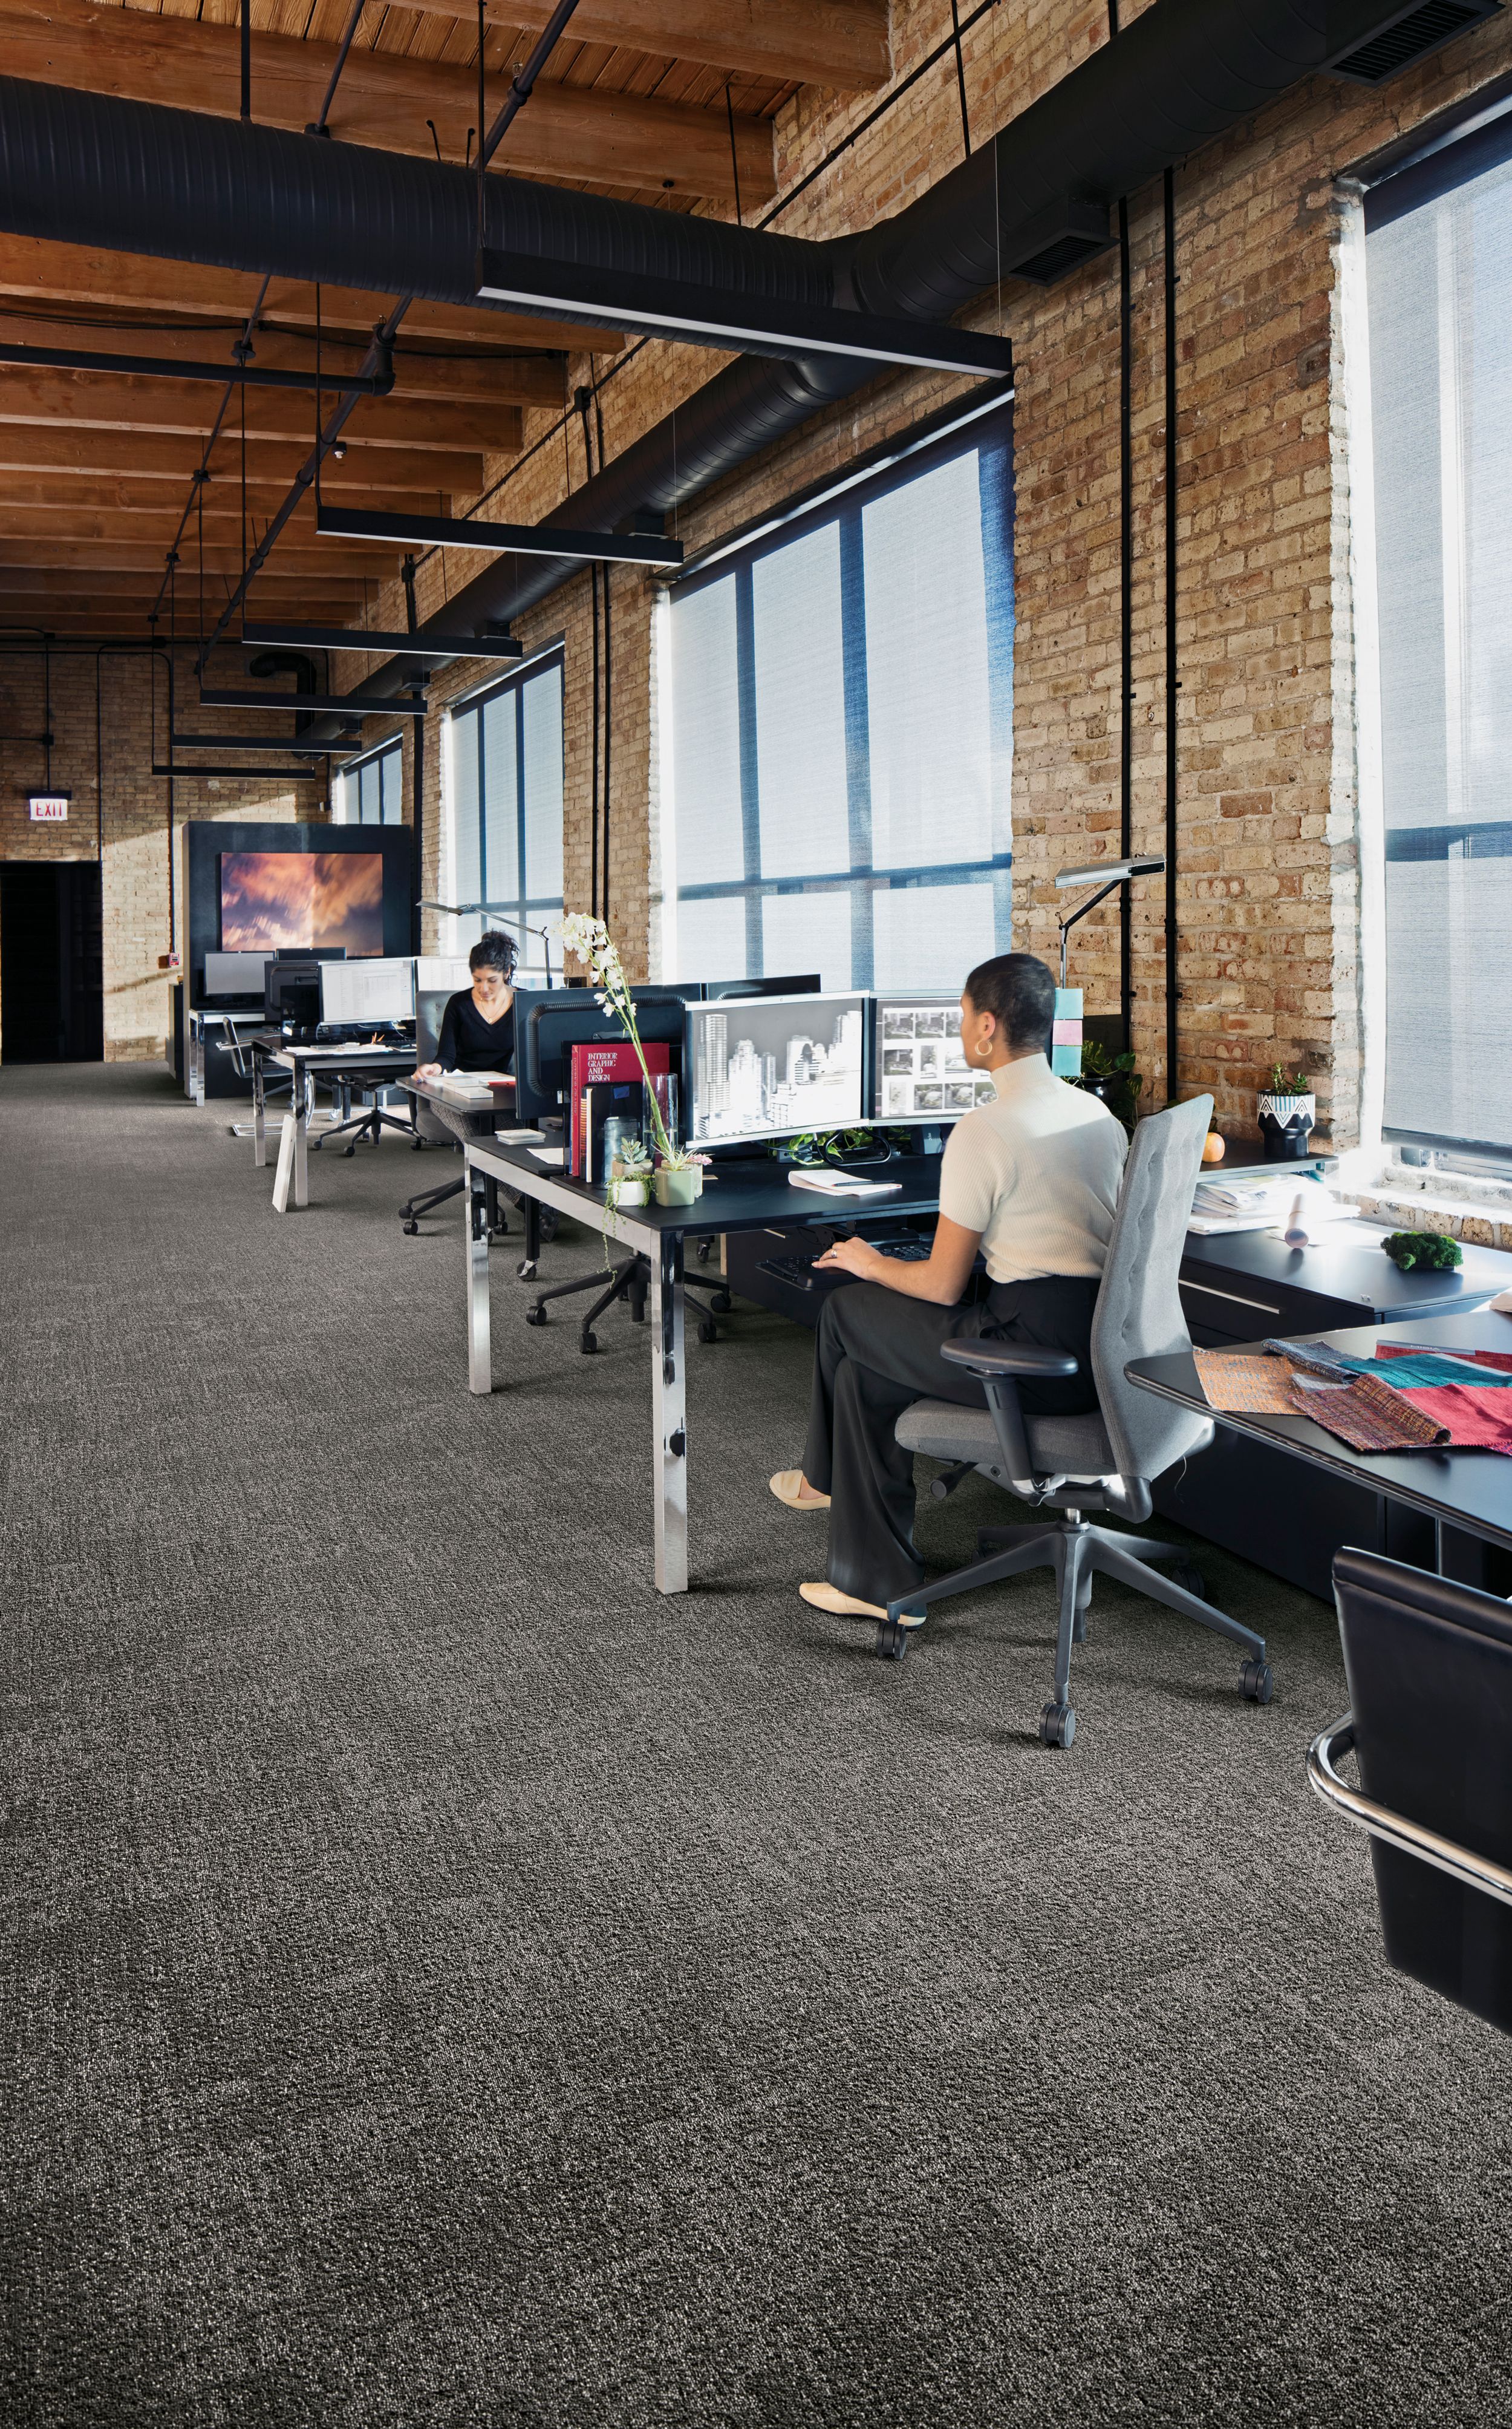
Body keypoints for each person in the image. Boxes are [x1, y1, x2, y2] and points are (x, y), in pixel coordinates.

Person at [769, 952, 1128, 1621]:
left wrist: (870, 1261)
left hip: (1030, 1355)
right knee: (862, 1381)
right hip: (1098, 1349)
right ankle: (877, 1585)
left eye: (962, 1017)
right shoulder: (1095, 1116)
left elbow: (939, 1285)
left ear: (987, 1026)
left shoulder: (985, 1129)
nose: (960, 1029)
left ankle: (822, 1481)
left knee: (846, 1310)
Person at [416, 931, 516, 1077]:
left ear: (507, 973)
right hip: (461, 1084)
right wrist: (435, 1067)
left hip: (506, 1086)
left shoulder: (523, 1003)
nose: (484, 988)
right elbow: (447, 1056)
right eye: (477, 980)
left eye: (492, 980)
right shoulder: (459, 1003)